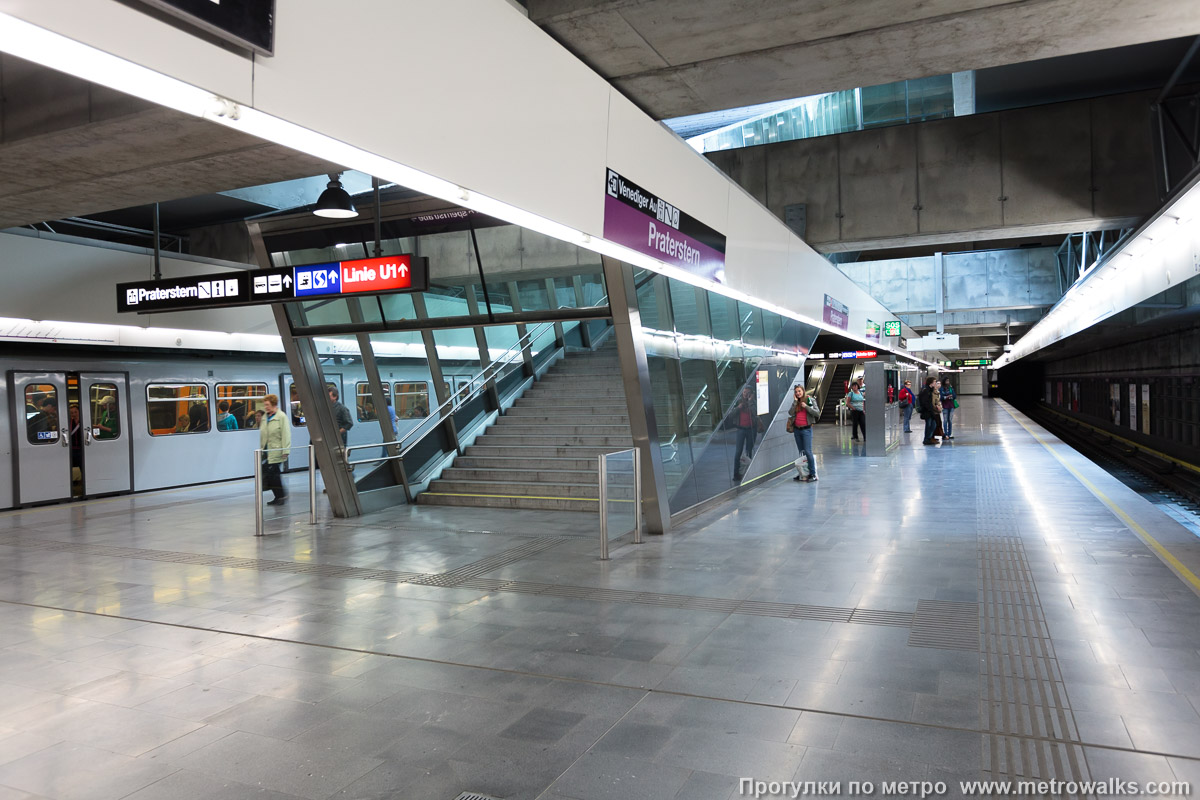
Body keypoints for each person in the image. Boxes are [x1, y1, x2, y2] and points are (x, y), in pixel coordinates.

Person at [259, 393, 291, 505]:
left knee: (274, 474)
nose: (266, 407)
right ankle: (279, 496)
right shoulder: (265, 417)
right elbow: (263, 434)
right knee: (271, 474)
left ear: (273, 404)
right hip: (267, 451)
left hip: (276, 450)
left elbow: (286, 434)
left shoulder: (281, 417)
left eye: (267, 405)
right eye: (265, 405)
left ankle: (281, 496)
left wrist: (286, 450)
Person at [786, 384, 820, 483]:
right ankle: (803, 473)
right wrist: (795, 402)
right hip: (797, 430)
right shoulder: (796, 402)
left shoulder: (810, 400)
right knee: (802, 452)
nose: (798, 393)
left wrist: (806, 407)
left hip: (806, 430)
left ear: (803, 391)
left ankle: (813, 474)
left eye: (799, 391)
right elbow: (790, 412)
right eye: (796, 392)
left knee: (808, 451)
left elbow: (817, 413)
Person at [730, 385, 757, 481]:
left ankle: (747, 473)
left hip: (751, 429)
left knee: (748, 451)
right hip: (741, 429)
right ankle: (736, 474)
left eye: (748, 392)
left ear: (751, 394)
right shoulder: (738, 402)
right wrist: (738, 408)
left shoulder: (753, 403)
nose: (745, 394)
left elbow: (755, 413)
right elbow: (731, 415)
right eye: (744, 392)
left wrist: (750, 402)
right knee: (738, 452)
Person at [67, 404, 83, 491]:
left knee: (83, 466)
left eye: (75, 412)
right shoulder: (68, 423)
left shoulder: (84, 421)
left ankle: (84, 482)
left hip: (82, 449)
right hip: (72, 449)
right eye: (72, 413)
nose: (74, 414)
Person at [918, 377, 938, 445]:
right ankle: (926, 439)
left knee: (933, 424)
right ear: (931, 382)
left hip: (930, 410)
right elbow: (925, 402)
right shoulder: (926, 391)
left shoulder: (930, 390)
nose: (935, 383)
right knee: (929, 425)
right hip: (927, 411)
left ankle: (928, 438)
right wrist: (930, 409)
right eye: (934, 382)